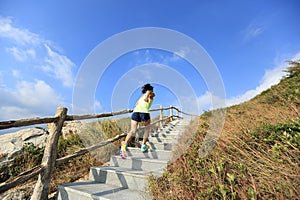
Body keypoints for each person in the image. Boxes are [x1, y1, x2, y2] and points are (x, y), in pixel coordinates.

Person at [120, 83, 155, 159]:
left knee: (133, 130)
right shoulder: (151, 95)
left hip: (135, 112)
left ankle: (124, 144)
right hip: (144, 112)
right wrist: (148, 95)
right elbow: (150, 93)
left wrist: (145, 97)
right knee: (147, 129)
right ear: (150, 90)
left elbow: (136, 104)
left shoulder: (140, 97)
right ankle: (143, 146)